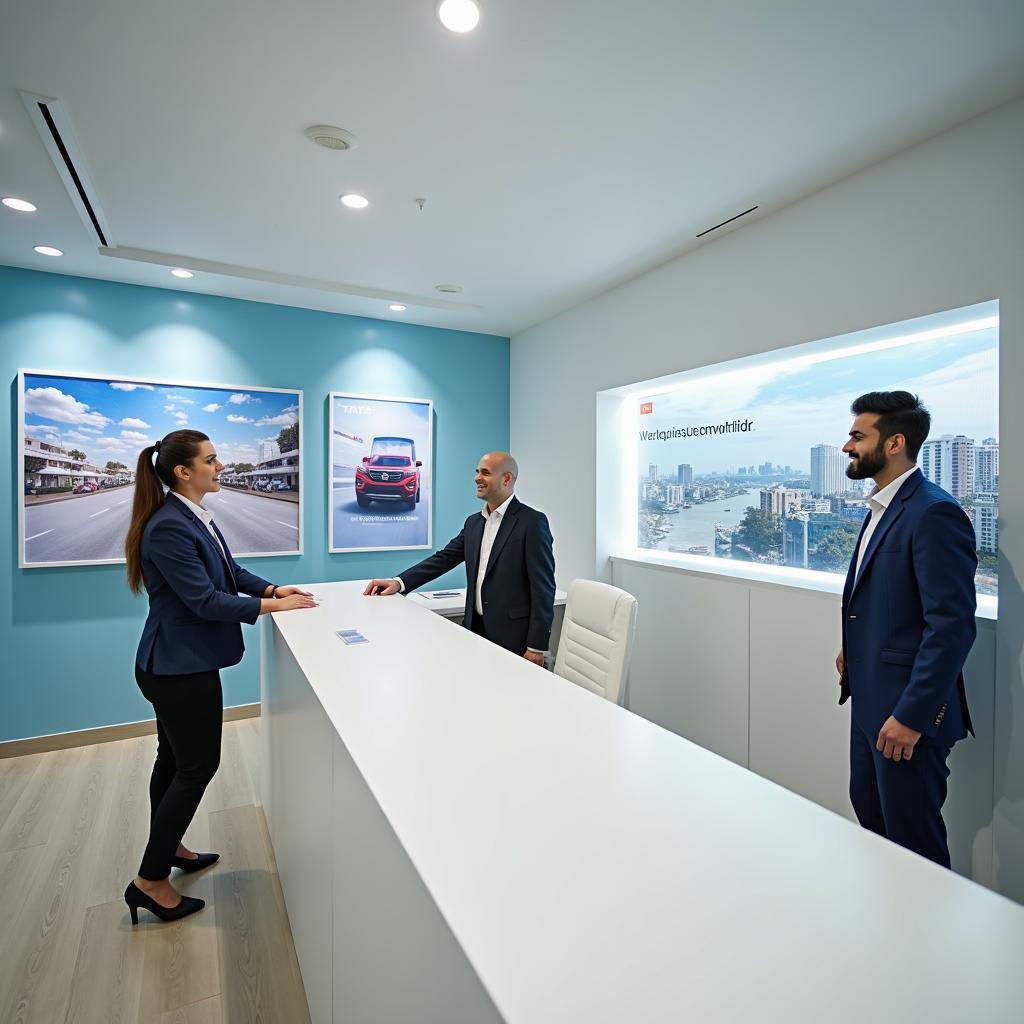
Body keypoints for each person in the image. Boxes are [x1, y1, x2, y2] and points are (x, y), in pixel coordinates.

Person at [123, 429, 316, 924]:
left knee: (172, 761)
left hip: (176, 664)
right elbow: (206, 602)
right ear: (184, 472)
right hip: (177, 668)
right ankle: (149, 881)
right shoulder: (169, 526)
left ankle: (172, 849)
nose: (221, 466)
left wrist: (274, 587)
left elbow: (229, 573)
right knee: (196, 768)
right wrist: (276, 607)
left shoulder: (192, 517)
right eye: (212, 460)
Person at [836, 391, 976, 868]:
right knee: (874, 825)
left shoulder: (934, 512)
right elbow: (891, 601)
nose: (846, 446)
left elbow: (951, 627)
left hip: (906, 717)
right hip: (871, 703)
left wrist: (913, 717)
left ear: (894, 442)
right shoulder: (882, 505)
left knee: (914, 849)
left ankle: (928, 940)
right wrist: (853, 648)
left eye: (858, 435)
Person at [364, 451, 555, 663]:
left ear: (507, 479)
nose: (477, 478)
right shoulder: (473, 523)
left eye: (485, 472)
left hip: (514, 639)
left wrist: (536, 646)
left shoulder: (532, 522)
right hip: (475, 630)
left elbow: (543, 588)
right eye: (477, 472)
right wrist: (399, 582)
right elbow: (443, 559)